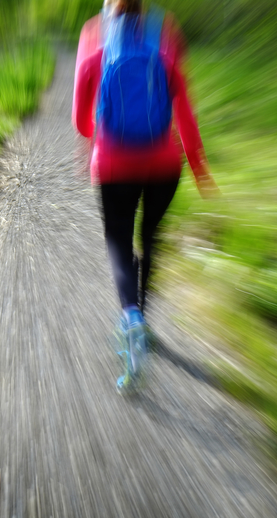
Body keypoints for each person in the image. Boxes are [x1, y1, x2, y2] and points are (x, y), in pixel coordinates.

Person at [72, 0, 219, 394]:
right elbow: (183, 106)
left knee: (118, 239)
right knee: (149, 237)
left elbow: (81, 120)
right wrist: (200, 167)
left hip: (115, 163)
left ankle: (131, 318)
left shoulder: (93, 32)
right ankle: (145, 322)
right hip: (163, 165)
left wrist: (96, 136)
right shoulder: (166, 28)